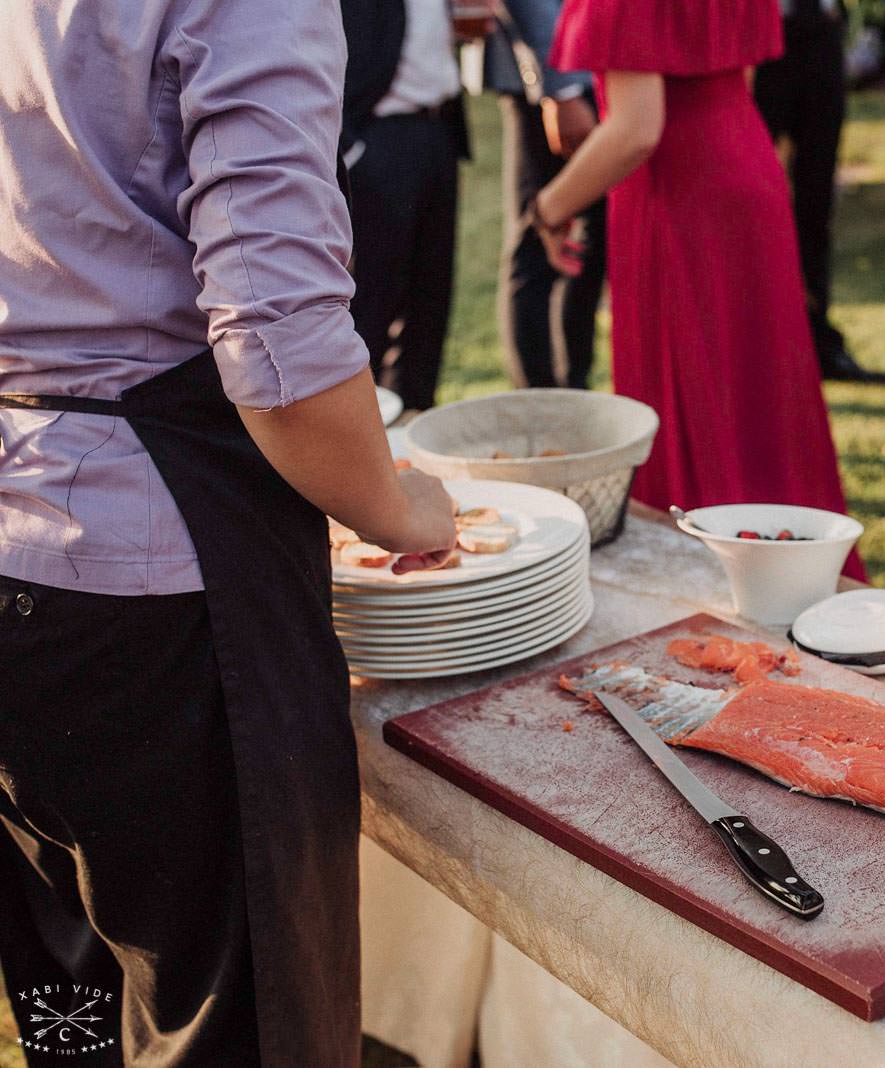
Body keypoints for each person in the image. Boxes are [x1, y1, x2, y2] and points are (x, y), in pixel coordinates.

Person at [0, 0, 459, 1063]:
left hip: (22, 551)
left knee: (68, 1013)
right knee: (233, 1030)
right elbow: (278, 340)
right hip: (152, 600)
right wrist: (399, 508)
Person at [539, 0, 865, 580]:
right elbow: (739, 70)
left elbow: (636, 130)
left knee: (694, 399)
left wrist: (548, 206)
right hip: (746, 169)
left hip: (679, 196)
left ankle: (710, 579)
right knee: (763, 400)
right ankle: (795, 568)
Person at [756, 0, 885, 383]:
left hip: (821, 32)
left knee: (816, 205)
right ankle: (762, 342)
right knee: (752, 202)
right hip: (761, 37)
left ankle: (819, 343)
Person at [341, 0, 474, 411]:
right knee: (373, 302)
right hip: (379, 134)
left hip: (439, 127)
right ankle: (358, 431)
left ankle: (414, 426)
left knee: (430, 297)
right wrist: (350, 147)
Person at [486, 0, 609, 389]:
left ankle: (575, 387)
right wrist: (561, 88)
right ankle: (538, 398)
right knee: (538, 237)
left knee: (591, 245)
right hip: (551, 83)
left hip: (601, 68)